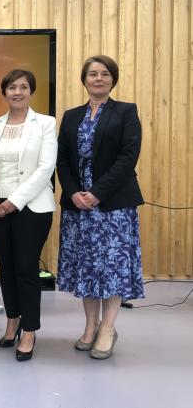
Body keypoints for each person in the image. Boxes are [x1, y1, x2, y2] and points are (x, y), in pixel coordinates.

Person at [57, 55, 144, 360]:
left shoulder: (125, 112)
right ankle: (90, 325)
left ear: (112, 79)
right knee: (87, 268)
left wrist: (96, 193)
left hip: (113, 206)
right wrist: (73, 193)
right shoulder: (71, 116)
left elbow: (127, 158)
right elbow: (63, 160)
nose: (98, 79)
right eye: (92, 74)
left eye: (104, 74)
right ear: (84, 80)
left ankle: (108, 328)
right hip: (78, 207)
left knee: (112, 269)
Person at [0, 70, 56, 361]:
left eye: (24, 87)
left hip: (31, 207)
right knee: (6, 267)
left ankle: (30, 330)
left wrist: (13, 202)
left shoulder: (46, 124)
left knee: (25, 269)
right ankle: (12, 319)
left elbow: (45, 168)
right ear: (5, 92)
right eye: (12, 87)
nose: (18, 92)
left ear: (31, 92)